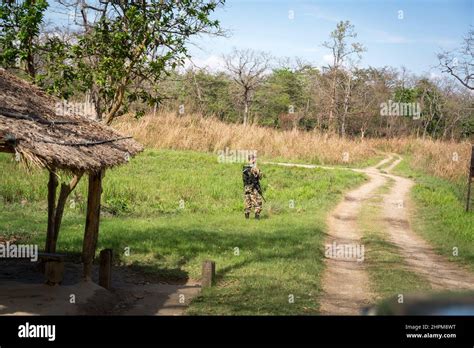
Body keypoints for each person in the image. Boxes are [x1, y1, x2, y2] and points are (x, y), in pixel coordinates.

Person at [242, 154, 263, 219]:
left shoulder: (245, 168)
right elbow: (260, 177)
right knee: (258, 202)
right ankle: (257, 217)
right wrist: (257, 169)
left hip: (246, 188)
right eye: (254, 159)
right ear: (251, 160)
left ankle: (247, 217)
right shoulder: (252, 168)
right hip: (253, 188)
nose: (255, 161)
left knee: (248, 202)